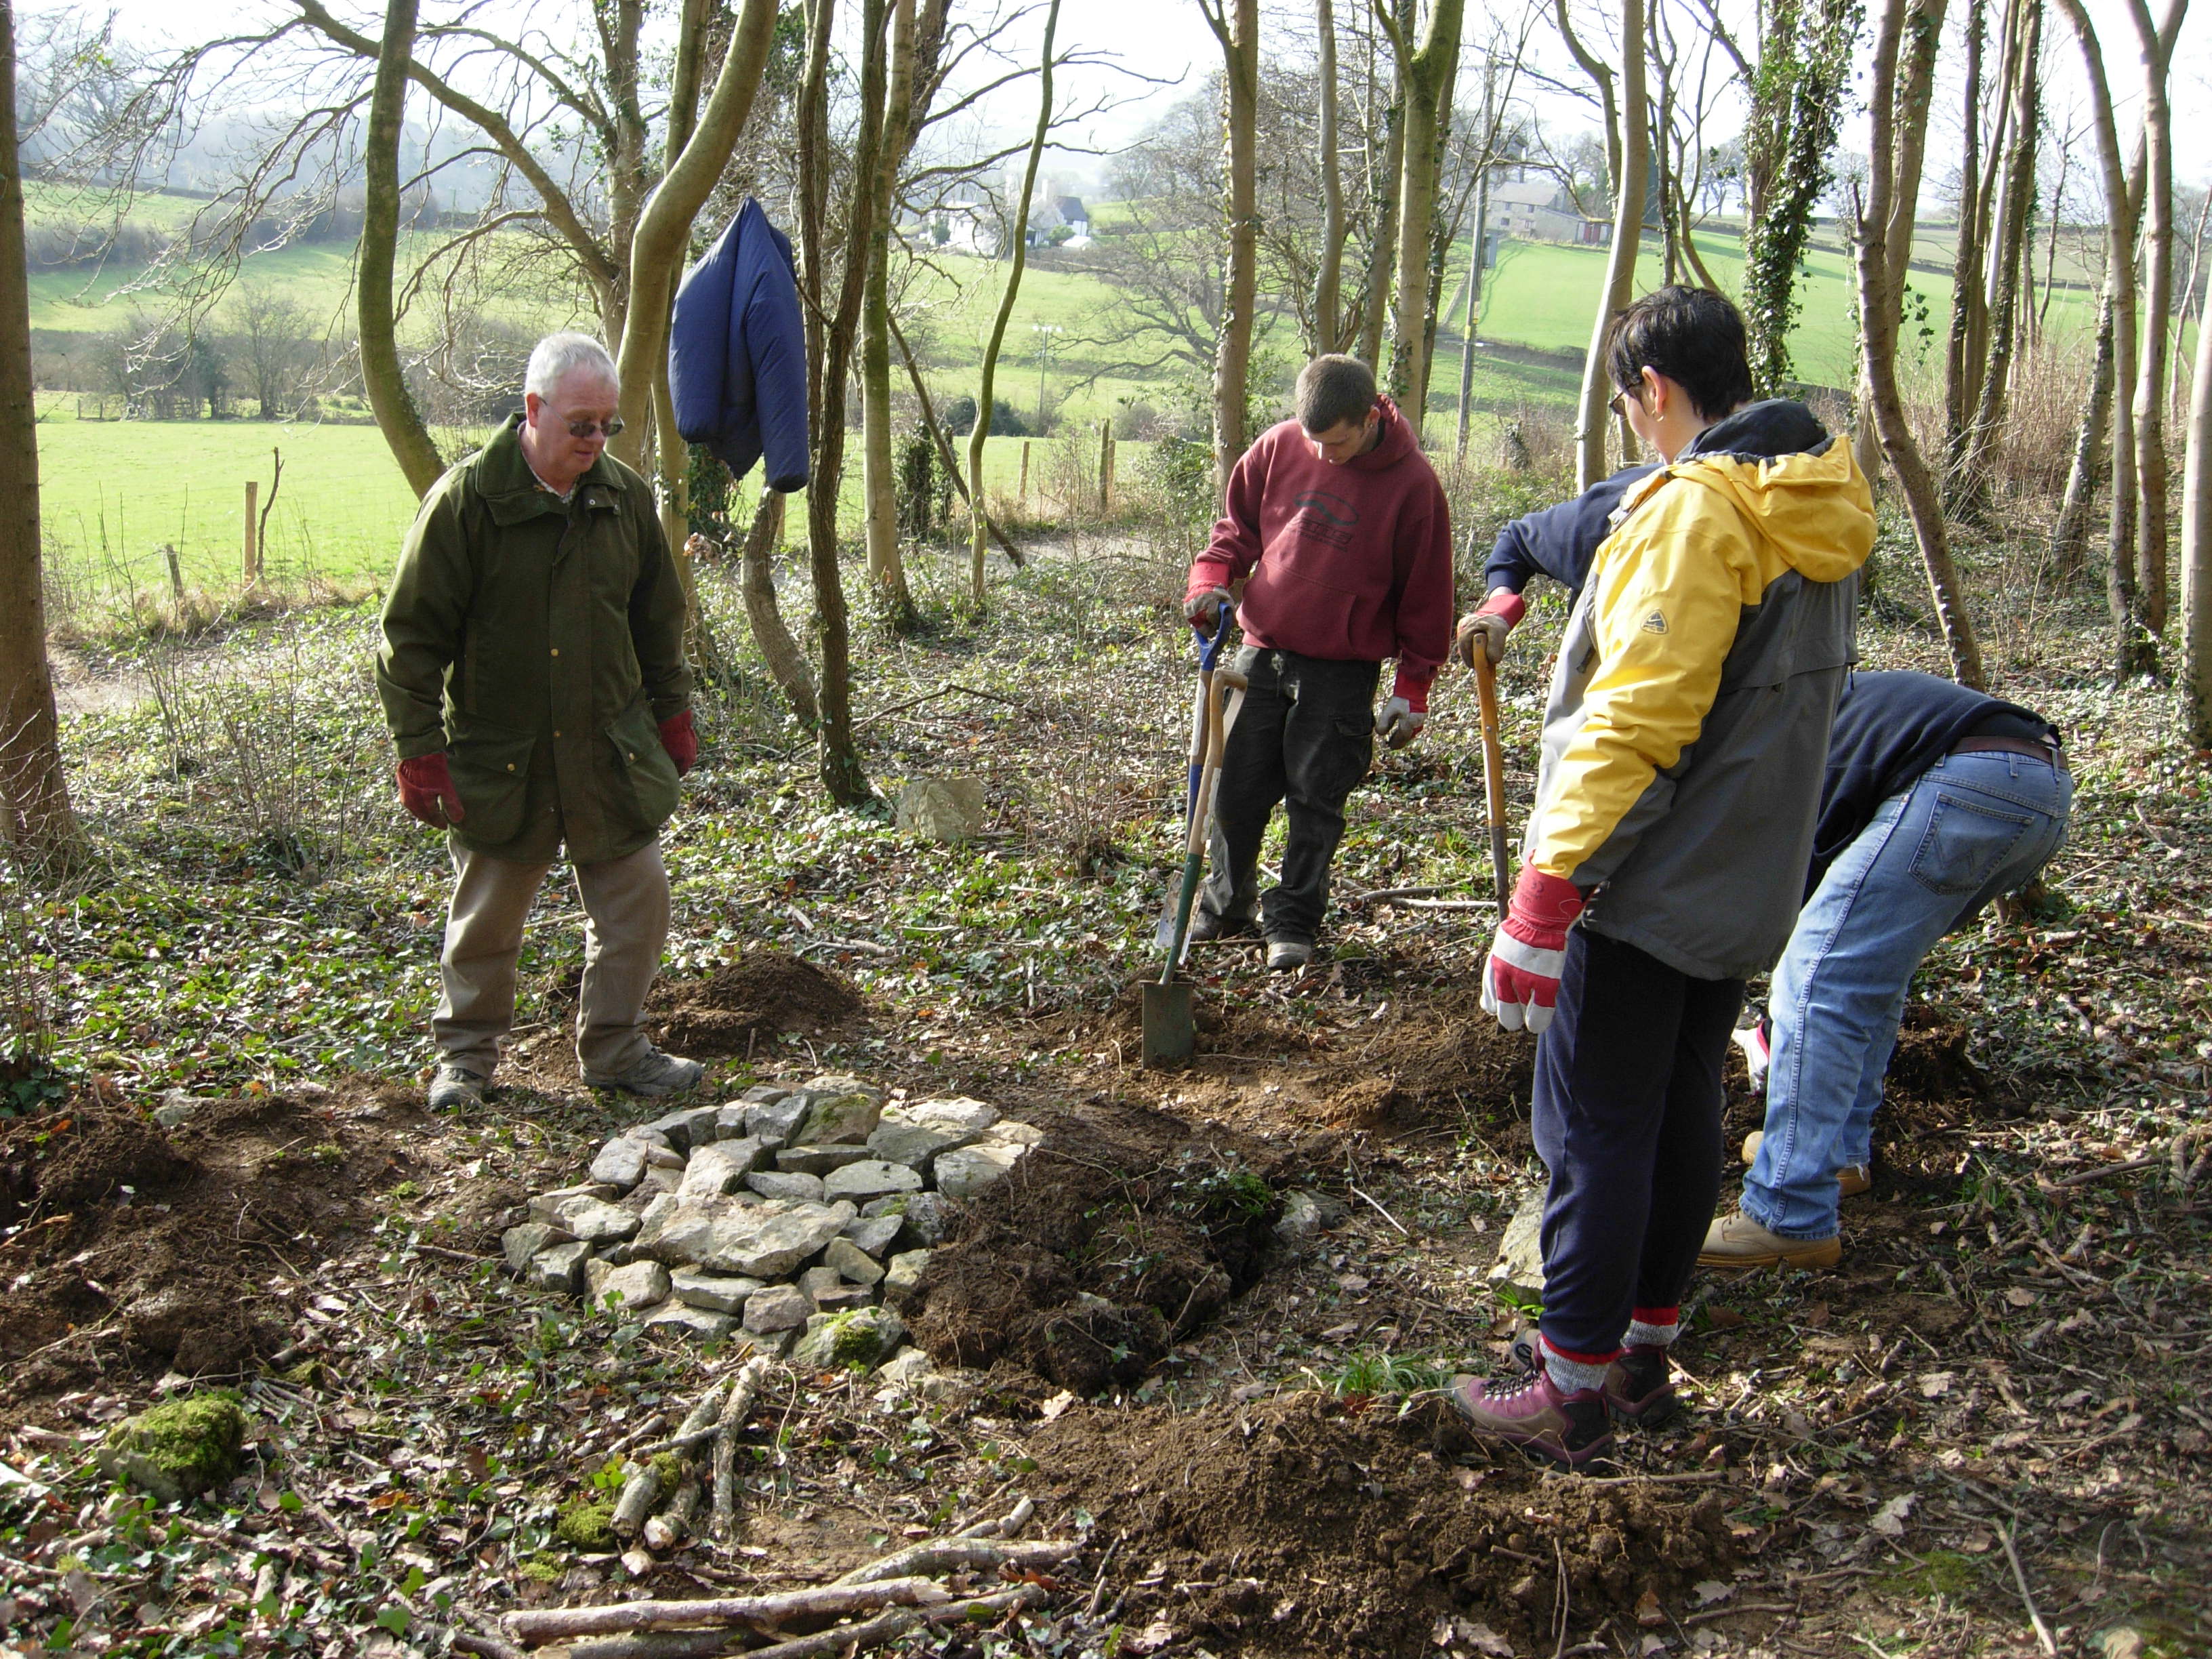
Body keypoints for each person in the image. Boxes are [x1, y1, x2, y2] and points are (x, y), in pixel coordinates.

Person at [1448, 287, 1874, 1469]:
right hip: (1746, 868)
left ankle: (1566, 1387)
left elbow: (1634, 715)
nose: (1638, 428)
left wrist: (1548, 890)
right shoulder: (1809, 494)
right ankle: (1638, 1359)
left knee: (1596, 1123)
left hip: (1643, 874)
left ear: (1654, 393)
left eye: (1633, 406)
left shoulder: (1698, 512)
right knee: (1684, 1103)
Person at [377, 333, 705, 1112]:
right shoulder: (465, 503)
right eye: (580, 425)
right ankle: (466, 1061)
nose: (595, 442)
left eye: (607, 427)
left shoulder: (624, 501)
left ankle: (617, 1050)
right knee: (486, 921)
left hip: (609, 751)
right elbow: (410, 638)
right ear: (533, 410)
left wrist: (673, 710)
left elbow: (658, 620)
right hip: (504, 756)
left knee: (637, 906)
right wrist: (419, 751)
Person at [1699, 671, 2071, 1269]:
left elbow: (1803, 882)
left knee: (1822, 978)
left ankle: (1788, 1212)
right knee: (1865, 974)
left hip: (1965, 782)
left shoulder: (1782, 742)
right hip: (2039, 787)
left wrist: (1777, 1003)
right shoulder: (1813, 707)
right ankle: (1838, 1155)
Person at [1181, 354, 1454, 972]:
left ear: (1370, 416)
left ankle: (1294, 923)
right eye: (1314, 440)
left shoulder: (1413, 486)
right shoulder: (1279, 447)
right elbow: (1235, 531)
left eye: (1337, 442)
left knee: (1316, 802)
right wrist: (1209, 579)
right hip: (1262, 649)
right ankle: (1225, 908)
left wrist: (1413, 689)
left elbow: (1427, 597)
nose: (1324, 456)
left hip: (1341, 669)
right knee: (1235, 792)